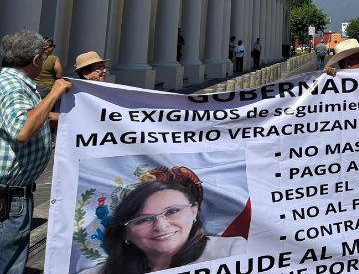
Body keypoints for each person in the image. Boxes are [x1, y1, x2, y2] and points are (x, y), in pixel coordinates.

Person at [81, 166, 246, 274]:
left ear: (194, 211)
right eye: (143, 220)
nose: (160, 226)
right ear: (125, 233)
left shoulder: (232, 252)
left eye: (172, 211)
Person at [0, 29, 72, 274]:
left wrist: (59, 118)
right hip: (8, 198)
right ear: (36, 59)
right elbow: (22, 129)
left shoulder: (12, 82)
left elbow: (27, 116)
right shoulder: (12, 86)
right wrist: (54, 93)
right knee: (9, 264)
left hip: (14, 195)